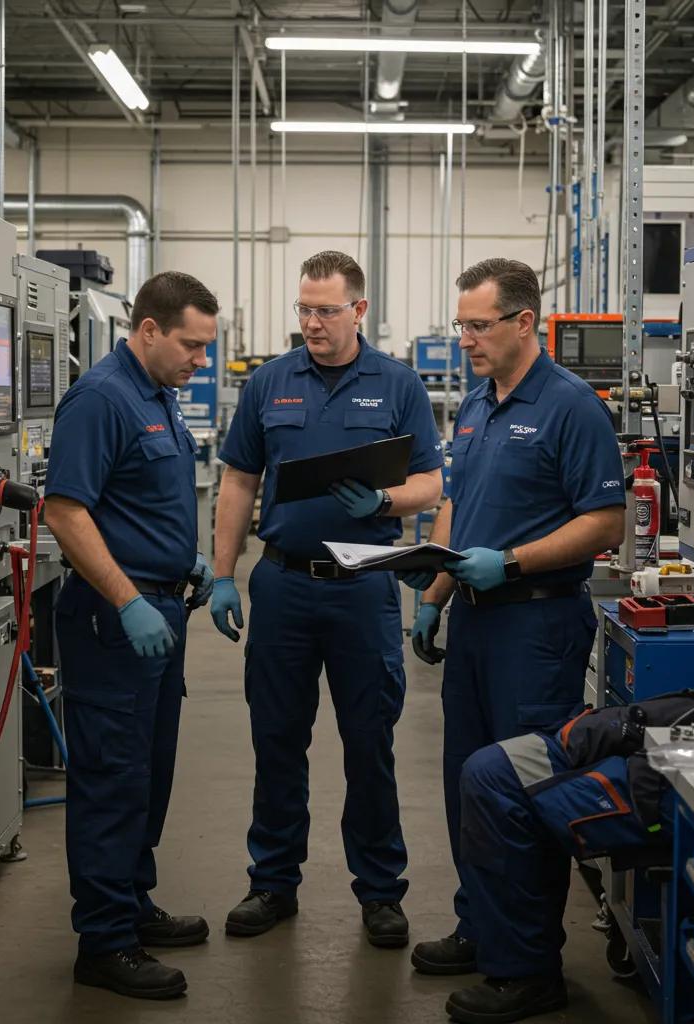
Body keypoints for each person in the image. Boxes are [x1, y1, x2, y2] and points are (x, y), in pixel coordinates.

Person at [400, 258, 626, 1007]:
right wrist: (436, 594)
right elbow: (459, 506)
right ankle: (481, 928)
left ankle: (528, 966)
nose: (464, 339)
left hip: (536, 626)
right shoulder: (475, 404)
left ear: (524, 322)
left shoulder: (571, 407)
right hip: (474, 623)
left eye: (478, 325)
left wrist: (515, 562)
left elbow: (606, 522)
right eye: (460, 324)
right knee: (468, 783)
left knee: (522, 789)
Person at [210, 250, 444, 948]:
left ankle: (380, 891)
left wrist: (385, 500)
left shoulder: (398, 384)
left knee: (369, 743)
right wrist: (223, 574)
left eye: (326, 311)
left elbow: (431, 482)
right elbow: (238, 481)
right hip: (283, 584)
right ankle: (272, 882)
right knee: (277, 739)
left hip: (364, 587)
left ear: (359, 310)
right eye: (304, 310)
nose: (312, 323)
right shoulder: (270, 382)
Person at [44, 271, 219, 1001]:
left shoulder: (158, 396)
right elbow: (64, 511)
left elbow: (143, 504)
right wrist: (127, 600)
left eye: (206, 348)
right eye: (191, 346)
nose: (201, 361)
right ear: (148, 331)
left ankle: (132, 901)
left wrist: (189, 561)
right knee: (112, 779)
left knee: (148, 772)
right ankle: (104, 940)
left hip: (161, 612)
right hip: (115, 621)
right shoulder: (101, 399)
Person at [445, 691, 694, 1023]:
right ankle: (500, 941)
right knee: (488, 769)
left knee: (497, 786)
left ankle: (527, 972)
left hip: (692, 769)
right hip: (659, 734)